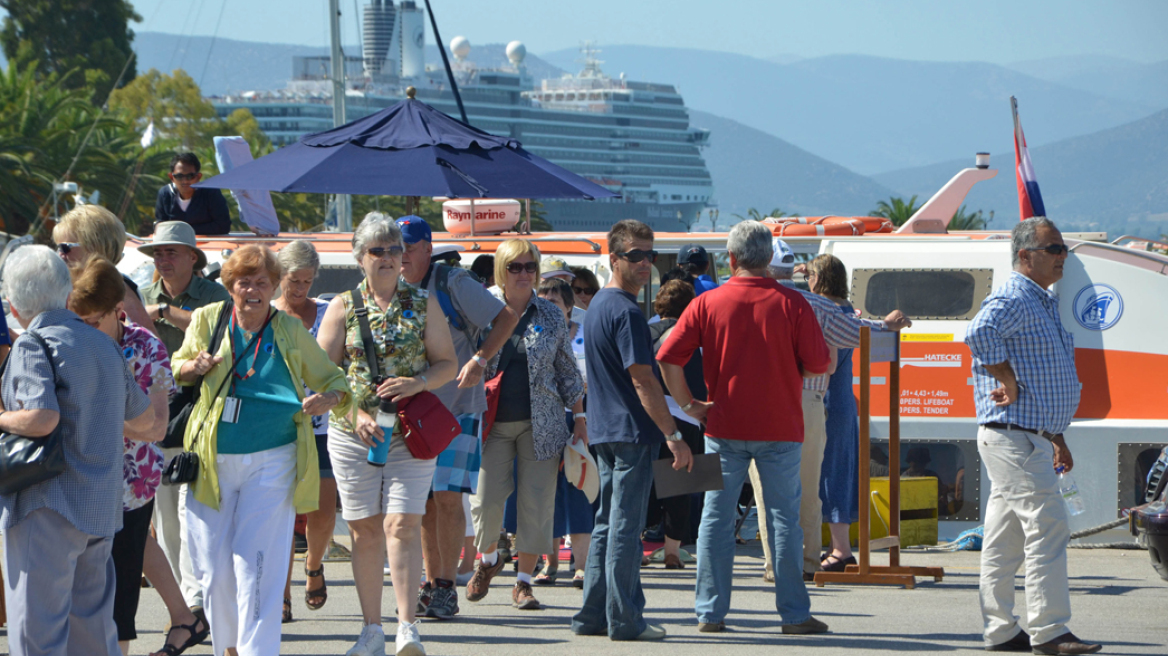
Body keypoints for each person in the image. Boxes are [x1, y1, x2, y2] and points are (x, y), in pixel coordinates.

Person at [173, 245, 350, 656]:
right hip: (211, 461)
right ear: (229, 285)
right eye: (243, 282)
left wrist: (329, 399)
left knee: (256, 564)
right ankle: (228, 647)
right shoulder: (208, 319)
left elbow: (333, 379)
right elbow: (175, 366)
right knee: (213, 569)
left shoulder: (288, 328)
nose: (252, 290)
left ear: (274, 287)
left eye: (261, 283)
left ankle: (256, 651)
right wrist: (194, 367)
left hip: (273, 458)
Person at [657, 220, 831, 635]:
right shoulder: (794, 304)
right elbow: (820, 363)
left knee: (715, 518)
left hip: (722, 424)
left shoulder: (707, 303)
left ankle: (710, 613)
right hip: (782, 427)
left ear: (731, 259)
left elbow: (667, 357)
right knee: (784, 518)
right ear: (769, 257)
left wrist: (688, 405)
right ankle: (794, 614)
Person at [0, 246, 153, 656]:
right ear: (68, 294)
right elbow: (142, 418)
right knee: (92, 635)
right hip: (100, 506)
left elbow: (41, 418)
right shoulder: (103, 343)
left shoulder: (32, 344)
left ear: (13, 305)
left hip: (46, 503)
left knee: (38, 635)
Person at [316, 214, 457, 656]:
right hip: (352, 433)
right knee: (364, 530)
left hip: (409, 433)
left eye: (396, 249)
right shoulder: (341, 306)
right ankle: (371, 629)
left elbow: (447, 364)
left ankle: (407, 627)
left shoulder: (423, 302)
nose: (389, 257)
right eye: (378, 250)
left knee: (403, 524)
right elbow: (323, 374)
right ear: (360, 258)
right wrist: (355, 410)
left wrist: (419, 384)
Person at [965, 217, 1100, 655]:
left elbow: (1047, 374)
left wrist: (1057, 436)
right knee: (1047, 526)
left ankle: (1002, 631)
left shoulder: (1038, 298)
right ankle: (1049, 630)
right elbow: (978, 331)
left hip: (1027, 437)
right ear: (1025, 256)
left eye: (1063, 249)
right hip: (1015, 437)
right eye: (1054, 249)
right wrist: (1007, 377)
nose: (1063, 256)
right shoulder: (1015, 296)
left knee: (1005, 542)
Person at [65, 257, 202, 656]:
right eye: (80, 321)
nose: (86, 330)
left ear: (117, 313)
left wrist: (91, 416)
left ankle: (181, 620)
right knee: (86, 593)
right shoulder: (73, 338)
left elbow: (157, 427)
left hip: (129, 485)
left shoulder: (146, 347)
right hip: (82, 481)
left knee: (120, 597)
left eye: (94, 322)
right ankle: (185, 618)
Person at [754, 243, 910, 582]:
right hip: (834, 401)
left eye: (808, 275)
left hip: (819, 401)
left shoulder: (817, 309)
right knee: (827, 477)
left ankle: (815, 553)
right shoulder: (841, 310)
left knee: (805, 480)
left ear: (818, 278)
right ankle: (826, 551)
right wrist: (886, 325)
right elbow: (861, 332)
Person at [571, 219, 692, 642]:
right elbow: (643, 379)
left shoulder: (600, 306)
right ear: (614, 259)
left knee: (607, 523)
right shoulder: (625, 311)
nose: (645, 264)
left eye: (650, 255)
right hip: (629, 432)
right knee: (624, 526)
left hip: (606, 429)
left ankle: (592, 614)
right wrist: (673, 436)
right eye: (635, 255)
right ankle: (624, 618)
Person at [394, 216, 520, 621]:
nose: (401, 256)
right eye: (396, 248)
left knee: (448, 498)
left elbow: (506, 318)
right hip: (412, 412)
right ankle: (433, 584)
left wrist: (481, 361)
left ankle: (446, 586)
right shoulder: (389, 289)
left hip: (458, 409)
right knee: (424, 502)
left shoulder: (452, 283)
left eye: (409, 247)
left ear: (428, 248)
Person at [465, 239, 585, 612]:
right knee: (485, 502)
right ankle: (487, 560)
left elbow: (567, 371)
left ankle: (525, 583)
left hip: (543, 422)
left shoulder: (550, 315)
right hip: (490, 422)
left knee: (536, 505)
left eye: (529, 266)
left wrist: (579, 418)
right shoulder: (479, 309)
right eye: (514, 266)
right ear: (501, 270)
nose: (523, 273)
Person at [139, 220, 231, 619]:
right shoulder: (139, 294)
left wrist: (162, 313)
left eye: (171, 251)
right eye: (158, 253)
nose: (163, 259)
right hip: (154, 417)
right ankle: (186, 605)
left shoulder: (214, 295)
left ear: (193, 257)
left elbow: (222, 336)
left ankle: (200, 599)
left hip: (201, 414)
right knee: (167, 521)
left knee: (193, 512)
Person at [273, 241, 337, 621]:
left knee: (323, 510)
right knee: (280, 512)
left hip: (325, 426)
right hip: (282, 424)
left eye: (307, 281)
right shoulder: (268, 314)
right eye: (293, 281)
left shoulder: (329, 312)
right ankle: (281, 593)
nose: (299, 289)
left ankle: (313, 565)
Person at [533, 278, 593, 588]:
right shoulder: (534, 331)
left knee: (579, 488)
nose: (548, 307)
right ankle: (550, 561)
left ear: (570, 307)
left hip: (579, 419)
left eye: (555, 302)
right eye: (542, 300)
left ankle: (580, 564)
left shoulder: (586, 333)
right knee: (547, 492)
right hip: (543, 420)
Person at [645, 280, 707, 570]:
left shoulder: (645, 331)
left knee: (642, 486)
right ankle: (672, 552)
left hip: (649, 416)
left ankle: (636, 546)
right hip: (687, 416)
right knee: (680, 488)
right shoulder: (694, 335)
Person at [52, 204, 157, 336]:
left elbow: (148, 347)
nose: (60, 254)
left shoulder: (117, 287)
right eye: (58, 248)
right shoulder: (69, 287)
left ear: (94, 246)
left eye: (65, 248)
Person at [154, 152, 232, 235]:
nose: (185, 181)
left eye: (190, 176)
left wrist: (182, 231)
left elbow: (223, 226)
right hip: (175, 245)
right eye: (179, 176)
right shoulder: (165, 194)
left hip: (208, 245)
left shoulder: (211, 193)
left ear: (198, 177)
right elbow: (160, 226)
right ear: (171, 177)